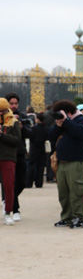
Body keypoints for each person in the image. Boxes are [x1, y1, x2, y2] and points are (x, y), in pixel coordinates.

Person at [49, 100, 83, 228]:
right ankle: (66, 217)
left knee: (77, 191)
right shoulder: (64, 123)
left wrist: (67, 121)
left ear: (69, 112)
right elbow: (51, 137)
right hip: (62, 162)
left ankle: (79, 217)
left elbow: (81, 133)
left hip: (76, 162)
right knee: (63, 192)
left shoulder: (80, 120)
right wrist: (58, 125)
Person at [4, 92, 31, 221]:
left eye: (16, 103)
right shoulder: (3, 117)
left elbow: (30, 133)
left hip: (20, 153)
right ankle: (14, 208)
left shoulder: (22, 116)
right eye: (11, 103)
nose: (14, 106)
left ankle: (8, 199)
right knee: (9, 182)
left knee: (22, 181)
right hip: (7, 154)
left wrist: (21, 127)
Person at [0, 97, 21, 225]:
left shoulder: (14, 122)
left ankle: (8, 213)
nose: (1, 113)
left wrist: (2, 135)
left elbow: (17, 140)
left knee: (9, 187)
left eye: (3, 111)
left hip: (8, 157)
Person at [26, 112, 48, 188]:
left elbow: (31, 137)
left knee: (31, 165)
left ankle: (29, 183)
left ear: (37, 119)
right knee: (41, 166)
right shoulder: (46, 128)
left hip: (34, 148)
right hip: (42, 148)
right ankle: (39, 183)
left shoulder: (34, 129)